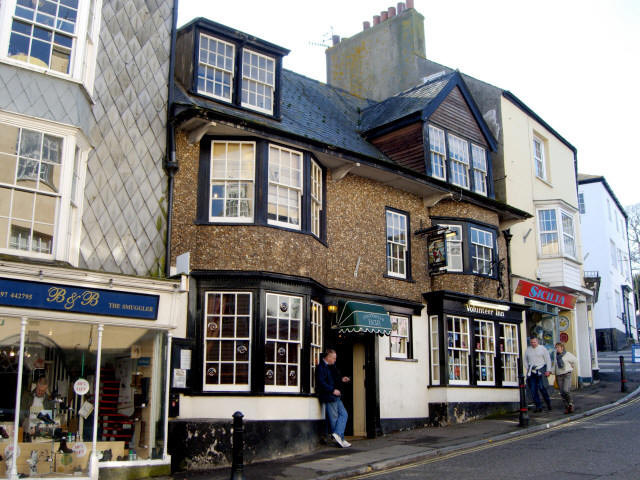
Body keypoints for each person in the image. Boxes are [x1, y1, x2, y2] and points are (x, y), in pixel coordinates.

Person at [315, 349, 351, 448]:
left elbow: (332, 379)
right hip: (329, 396)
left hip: (335, 395)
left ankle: (340, 437)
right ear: (328, 357)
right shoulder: (321, 367)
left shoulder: (331, 366)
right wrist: (332, 390)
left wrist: (341, 379)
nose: (335, 360)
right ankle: (341, 439)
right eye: (334, 358)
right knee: (334, 418)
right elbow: (321, 382)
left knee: (344, 414)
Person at [524, 336, 552, 412]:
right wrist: (528, 368)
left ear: (537, 342)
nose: (533, 344)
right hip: (532, 372)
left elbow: (548, 360)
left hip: (541, 370)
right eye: (531, 342)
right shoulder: (528, 350)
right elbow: (525, 360)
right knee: (533, 390)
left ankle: (548, 403)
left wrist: (548, 370)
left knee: (542, 388)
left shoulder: (542, 349)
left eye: (534, 342)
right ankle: (538, 406)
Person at [553, 342, 577, 414]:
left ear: (562, 348)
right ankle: (567, 407)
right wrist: (550, 371)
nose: (557, 349)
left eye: (558, 347)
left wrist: (572, 366)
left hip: (567, 374)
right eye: (556, 347)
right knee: (562, 393)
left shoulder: (567, 354)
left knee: (566, 390)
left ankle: (570, 404)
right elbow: (555, 365)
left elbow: (575, 360)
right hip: (559, 375)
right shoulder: (556, 356)